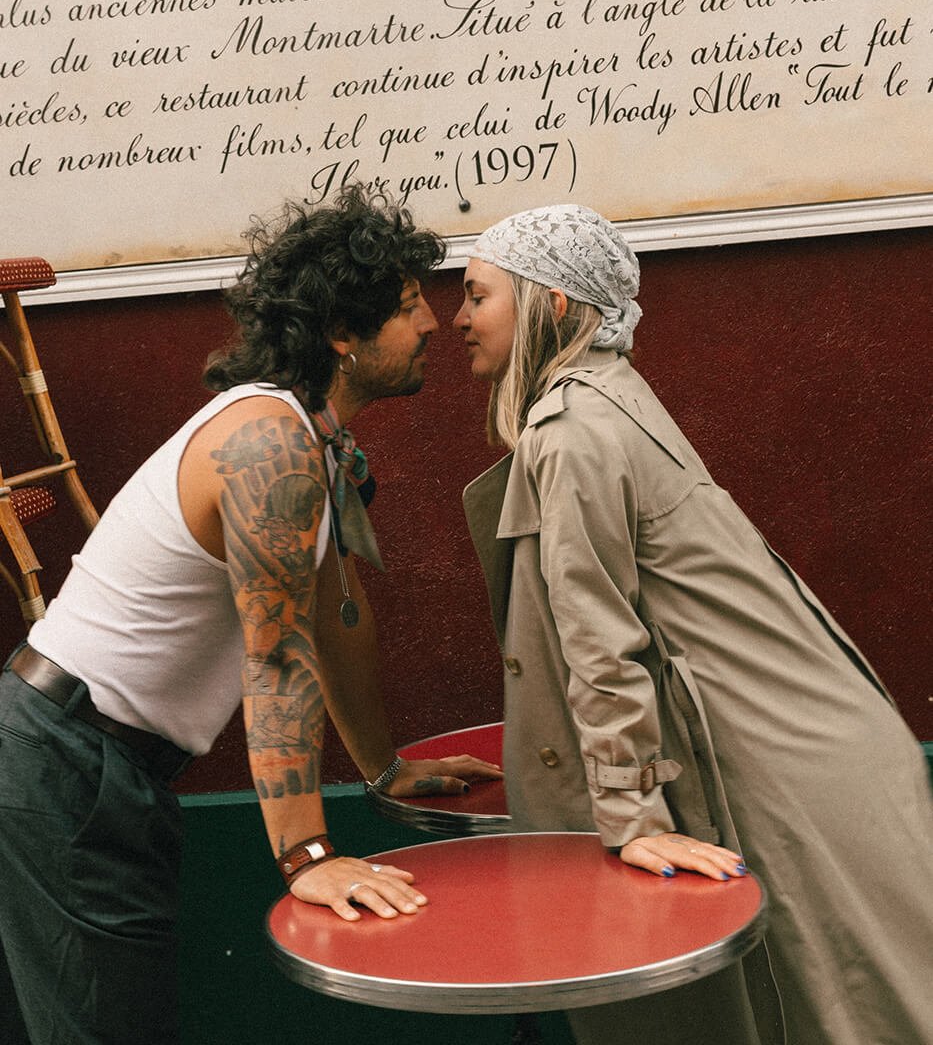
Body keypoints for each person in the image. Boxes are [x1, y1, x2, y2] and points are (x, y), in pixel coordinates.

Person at [0, 185, 500, 1045]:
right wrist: (306, 855)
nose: (430, 324)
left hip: (101, 767)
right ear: (343, 334)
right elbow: (276, 659)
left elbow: (334, 617)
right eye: (410, 305)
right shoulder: (268, 444)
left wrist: (381, 768)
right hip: (64, 764)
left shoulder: (313, 438)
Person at [454, 203, 933, 1045]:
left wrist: (632, 817)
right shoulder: (608, 397)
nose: (456, 319)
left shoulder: (572, 432)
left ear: (552, 305)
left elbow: (598, 641)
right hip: (815, 747)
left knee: (853, 1011)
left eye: (476, 295)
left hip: (788, 772)